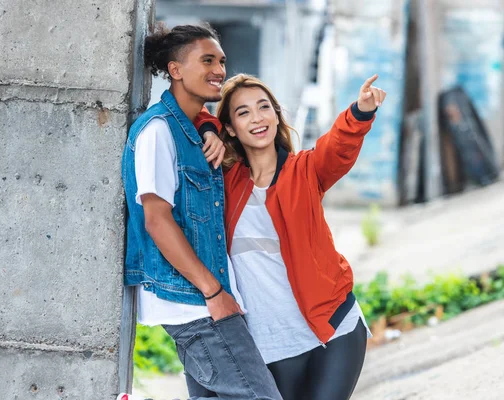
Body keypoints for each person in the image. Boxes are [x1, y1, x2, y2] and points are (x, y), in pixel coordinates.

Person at [119, 24, 282, 400]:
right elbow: (156, 220)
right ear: (175, 70)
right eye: (206, 60)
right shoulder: (157, 132)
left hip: (205, 303)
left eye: (221, 61)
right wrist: (214, 292)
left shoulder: (195, 130)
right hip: (196, 305)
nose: (219, 70)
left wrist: (209, 126)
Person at [214, 73, 386, 400]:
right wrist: (209, 128)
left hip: (334, 329)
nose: (257, 117)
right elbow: (189, 124)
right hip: (270, 345)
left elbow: (336, 148)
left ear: (277, 116)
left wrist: (360, 112)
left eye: (264, 107)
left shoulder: (304, 170)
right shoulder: (224, 184)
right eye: (243, 112)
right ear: (232, 128)